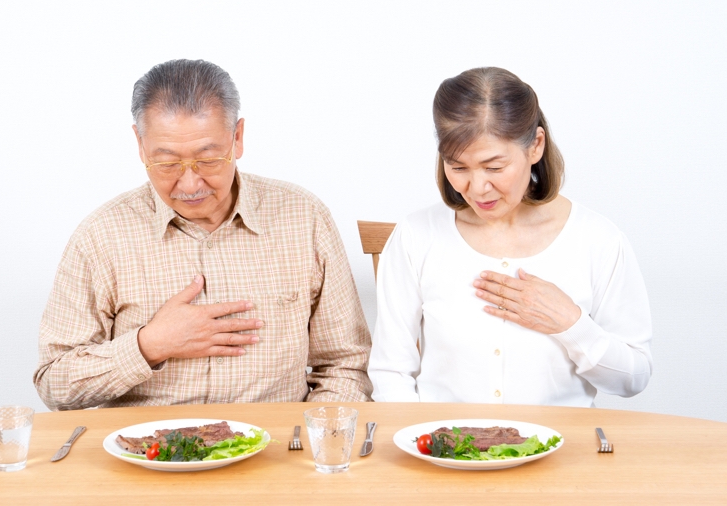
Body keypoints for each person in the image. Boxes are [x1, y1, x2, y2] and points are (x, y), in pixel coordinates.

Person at [34, 59, 372, 410]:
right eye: (166, 163)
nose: (190, 184)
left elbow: (345, 366)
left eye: (209, 160)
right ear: (139, 144)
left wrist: (312, 442)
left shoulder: (304, 217)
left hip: (274, 450)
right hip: (147, 452)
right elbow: (55, 384)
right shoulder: (100, 237)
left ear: (237, 138)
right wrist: (149, 345)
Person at [368, 67, 652, 406]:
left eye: (494, 167)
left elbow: (633, 378)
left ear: (535, 146)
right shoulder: (417, 236)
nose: (476, 188)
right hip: (446, 452)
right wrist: (423, 444)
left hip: (563, 453)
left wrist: (571, 323)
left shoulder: (597, 239)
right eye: (458, 167)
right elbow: (391, 373)